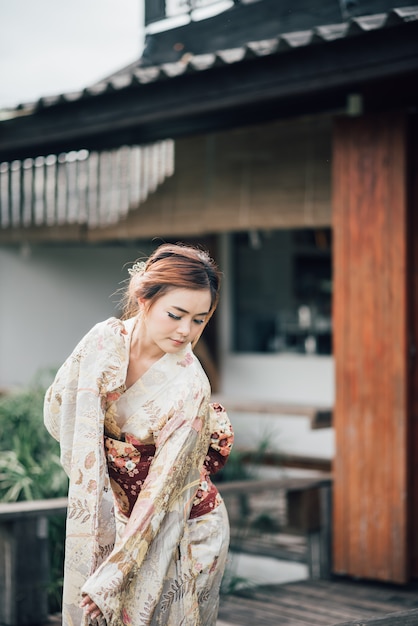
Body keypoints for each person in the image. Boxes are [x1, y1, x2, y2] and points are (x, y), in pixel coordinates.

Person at [44, 243, 234, 626]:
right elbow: (58, 412)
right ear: (143, 299)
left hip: (184, 525)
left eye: (199, 320)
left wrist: (115, 574)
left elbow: (165, 488)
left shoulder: (191, 386)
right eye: (176, 315)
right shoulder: (103, 342)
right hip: (119, 514)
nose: (186, 331)